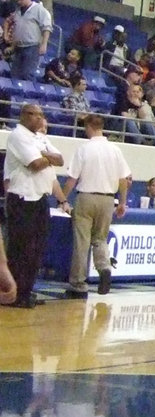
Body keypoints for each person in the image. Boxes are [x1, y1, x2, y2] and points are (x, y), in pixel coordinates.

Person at [2, 104, 69, 308]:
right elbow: (35, 164)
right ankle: (13, 293)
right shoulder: (18, 135)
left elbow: (60, 159)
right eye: (36, 115)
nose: (40, 119)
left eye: (42, 115)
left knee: (37, 249)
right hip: (22, 199)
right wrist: (46, 157)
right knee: (20, 248)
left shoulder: (40, 137)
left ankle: (26, 291)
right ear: (25, 116)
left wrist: (43, 154)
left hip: (40, 198)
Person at [60, 113, 132, 297]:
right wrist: (122, 202)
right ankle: (105, 268)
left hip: (86, 197)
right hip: (108, 199)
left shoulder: (84, 149)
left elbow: (72, 179)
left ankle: (78, 283)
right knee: (100, 239)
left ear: (87, 127)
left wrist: (61, 198)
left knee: (82, 242)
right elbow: (124, 179)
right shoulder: (115, 150)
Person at [3, 0, 52, 80]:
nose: (18, 2)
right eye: (17, 0)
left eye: (20, 0)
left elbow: (47, 27)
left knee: (27, 74)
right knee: (14, 74)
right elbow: (8, 21)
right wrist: (6, 35)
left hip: (32, 46)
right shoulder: (17, 11)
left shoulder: (39, 10)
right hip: (18, 47)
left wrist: (44, 44)